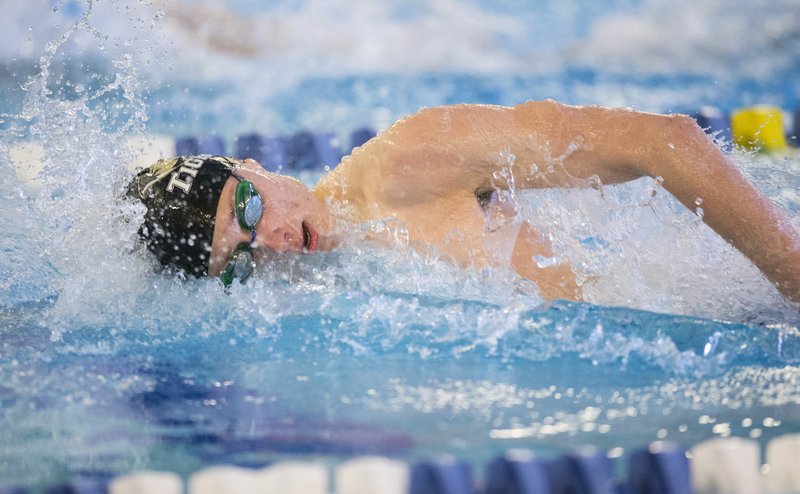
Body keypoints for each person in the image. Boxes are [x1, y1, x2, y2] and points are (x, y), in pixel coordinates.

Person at [127, 100, 800, 303]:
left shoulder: (407, 161)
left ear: (251, 166)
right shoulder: (334, 284)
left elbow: (665, 141)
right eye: (239, 261)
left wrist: (791, 273)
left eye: (248, 213)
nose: (268, 241)